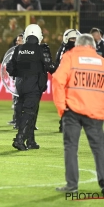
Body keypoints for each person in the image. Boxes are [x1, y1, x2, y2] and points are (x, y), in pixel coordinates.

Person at [53, 34, 104, 194]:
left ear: (78, 45)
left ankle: (72, 185)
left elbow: (58, 80)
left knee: (71, 147)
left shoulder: (70, 58)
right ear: (93, 47)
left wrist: (62, 107)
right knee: (99, 148)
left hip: (72, 110)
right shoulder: (101, 62)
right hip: (95, 111)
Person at [6, 24, 55, 151]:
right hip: (34, 85)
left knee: (29, 111)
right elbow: (50, 66)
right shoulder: (42, 49)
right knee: (29, 112)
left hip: (20, 85)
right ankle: (19, 139)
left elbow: (10, 67)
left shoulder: (18, 49)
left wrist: (19, 74)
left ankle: (31, 141)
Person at [55, 29, 80, 132]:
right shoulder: (63, 50)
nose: (74, 41)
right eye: (72, 39)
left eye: (75, 39)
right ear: (66, 39)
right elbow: (58, 64)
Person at [7, 33, 24, 128]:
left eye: (19, 40)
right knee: (17, 101)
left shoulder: (21, 52)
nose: (16, 42)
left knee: (21, 102)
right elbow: (10, 65)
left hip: (24, 81)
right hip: (19, 80)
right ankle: (17, 121)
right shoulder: (16, 51)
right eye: (17, 40)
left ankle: (20, 122)